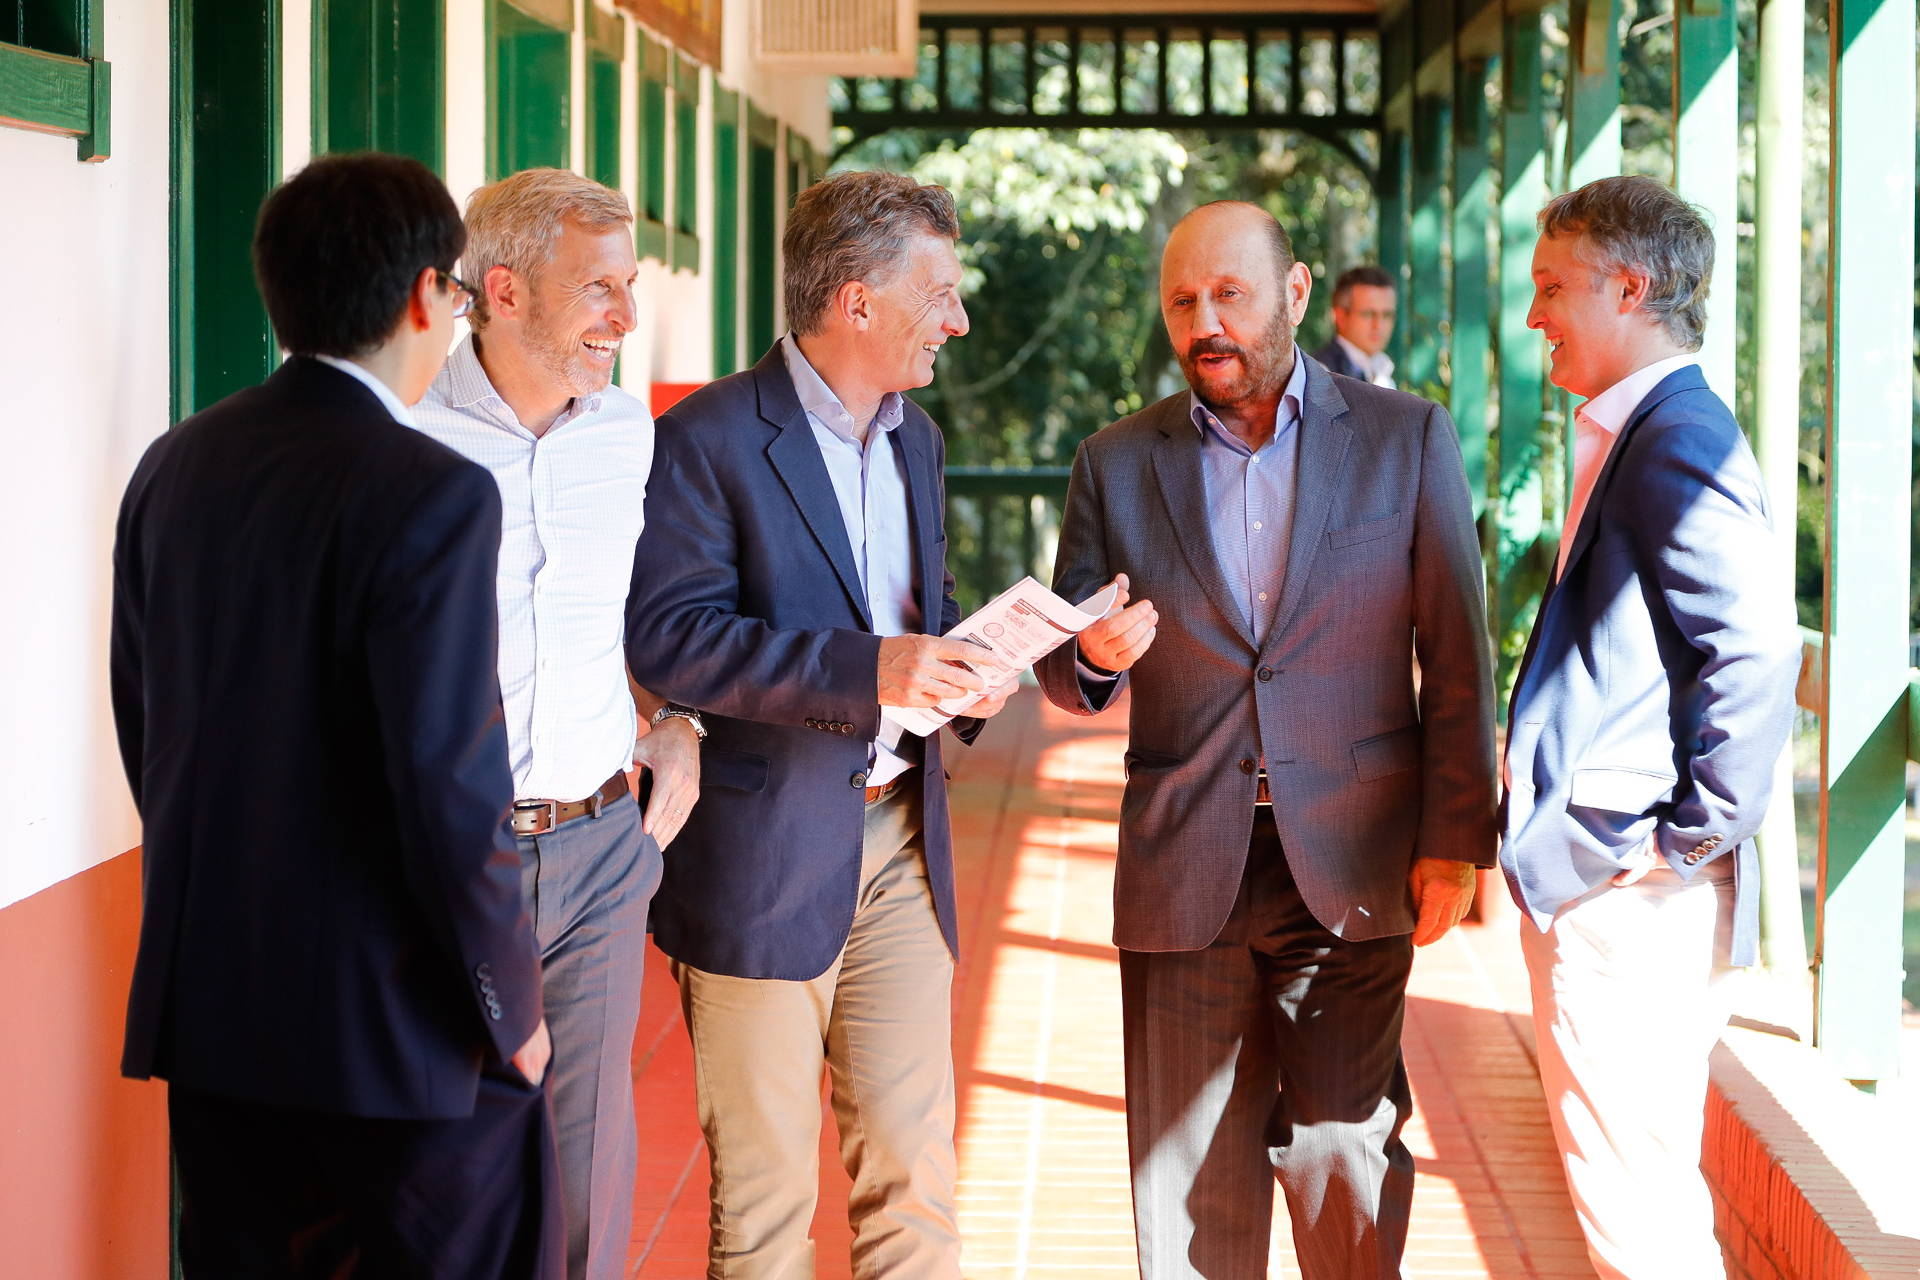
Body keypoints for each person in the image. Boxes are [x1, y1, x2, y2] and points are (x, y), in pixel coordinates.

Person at [110, 153, 558, 1278]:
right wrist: (510, 1002)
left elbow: (146, 718)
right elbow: (451, 785)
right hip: (402, 1034)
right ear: (424, 294)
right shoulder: (435, 490)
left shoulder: (176, 465)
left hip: (215, 1006)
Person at [1036, 200, 1497, 1280]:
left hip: (1352, 856)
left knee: (1344, 1153)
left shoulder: (1406, 437)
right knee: (1186, 1184)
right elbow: (1063, 664)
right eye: (1183, 301)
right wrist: (1094, 653)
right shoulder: (1114, 460)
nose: (1206, 321)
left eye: (1230, 294)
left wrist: (1456, 839)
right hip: (1184, 864)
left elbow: (1461, 656)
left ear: (1294, 293)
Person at [624, 170, 1016, 1280]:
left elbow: (913, 614)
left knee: (915, 1181)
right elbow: (672, 637)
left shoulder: (917, 439)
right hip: (759, 857)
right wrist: (873, 668)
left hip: (901, 844)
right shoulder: (705, 437)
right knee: (764, 1211)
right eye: (940, 292)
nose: (959, 317)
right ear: (855, 301)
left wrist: (967, 667)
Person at [1502, 174, 1801, 1280]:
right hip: (1635, 875)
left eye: (1553, 287)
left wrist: (1688, 838)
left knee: (1632, 1205)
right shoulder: (1655, 426)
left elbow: (1758, 648)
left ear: (1628, 286)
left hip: (1634, 889)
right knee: (1643, 1187)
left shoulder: (1674, 434)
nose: (1536, 314)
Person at [411, 167, 696, 1280]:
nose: (625, 319)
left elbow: (635, 619)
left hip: (597, 848)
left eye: (629, 287)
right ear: (507, 290)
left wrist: (672, 717)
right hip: (445, 857)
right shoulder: (404, 443)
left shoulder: (627, 436)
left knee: (585, 1179)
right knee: (438, 1165)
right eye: (599, 290)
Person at [1312, 264, 1398, 387]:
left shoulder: (1383, 370)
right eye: (1368, 314)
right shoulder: (1320, 373)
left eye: (1387, 315)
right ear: (1340, 317)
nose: (1378, 325)